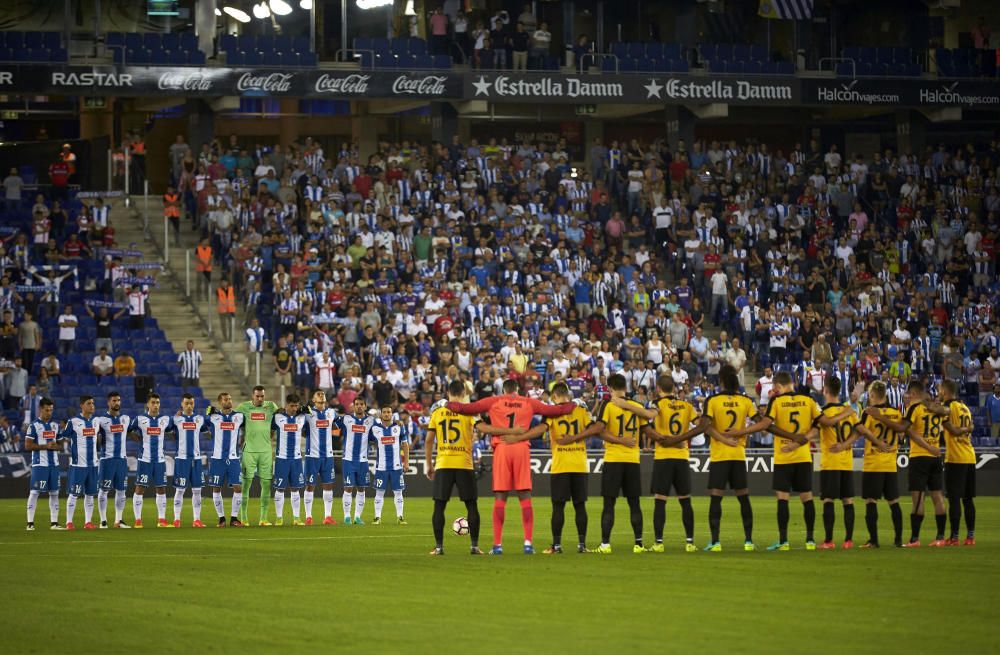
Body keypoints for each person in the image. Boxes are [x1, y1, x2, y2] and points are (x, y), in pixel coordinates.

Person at [446, 378, 575, 555]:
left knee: (500, 497)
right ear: (517, 390)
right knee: (525, 495)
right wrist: (573, 404)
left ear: (504, 390)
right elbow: (555, 410)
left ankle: (497, 546)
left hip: (502, 448)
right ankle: (528, 544)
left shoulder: (495, 401)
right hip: (522, 448)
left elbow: (467, 408)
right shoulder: (528, 402)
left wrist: (449, 404)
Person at [755, 370, 852, 551]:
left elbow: (766, 426)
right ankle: (810, 540)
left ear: (778, 386)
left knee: (783, 498)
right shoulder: (809, 401)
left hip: (783, 456)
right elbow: (827, 422)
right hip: (803, 456)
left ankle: (783, 541)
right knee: (806, 497)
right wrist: (846, 412)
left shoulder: (776, 402)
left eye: (775, 387)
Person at [865, 379, 947, 546]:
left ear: (915, 393)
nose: (907, 397)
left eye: (909, 394)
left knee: (918, 498)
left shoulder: (913, 409)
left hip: (919, 457)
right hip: (936, 457)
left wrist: (880, 416)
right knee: (938, 496)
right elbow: (948, 411)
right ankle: (940, 537)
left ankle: (914, 539)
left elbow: (903, 429)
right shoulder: (936, 409)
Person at [638, 376, 705, 552]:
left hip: (663, 457)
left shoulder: (657, 404)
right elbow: (701, 426)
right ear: (674, 388)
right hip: (682, 457)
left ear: (659, 388)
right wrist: (682, 439)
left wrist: (663, 439)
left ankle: (658, 543)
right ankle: (690, 542)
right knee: (685, 501)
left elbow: (645, 425)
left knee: (660, 501)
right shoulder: (686, 405)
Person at [700, 364, 759, 551]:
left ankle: (715, 542)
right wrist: (742, 431)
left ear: (721, 380)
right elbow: (763, 422)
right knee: (743, 498)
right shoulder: (745, 400)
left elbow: (706, 427)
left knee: (716, 498)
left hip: (720, 455)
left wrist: (723, 438)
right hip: (738, 455)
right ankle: (748, 541)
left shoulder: (713, 401)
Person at [591, 373, 647, 554]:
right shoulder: (637, 406)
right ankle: (639, 544)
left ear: (611, 388)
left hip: (614, 459)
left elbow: (599, 431)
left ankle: (605, 544)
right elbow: (647, 429)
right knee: (634, 503)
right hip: (632, 460)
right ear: (626, 387)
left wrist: (618, 440)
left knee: (609, 504)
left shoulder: (608, 405)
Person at [426, 381, 483, 555]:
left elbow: (429, 440)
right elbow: (479, 431)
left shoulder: (437, 412)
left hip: (443, 463)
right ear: (463, 392)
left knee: (439, 507)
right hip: (464, 464)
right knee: (471, 506)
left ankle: (439, 547)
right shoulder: (469, 413)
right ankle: (474, 546)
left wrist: (429, 464)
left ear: (447, 392)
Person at [854, 381, 904, 548]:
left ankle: (873, 541)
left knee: (871, 501)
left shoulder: (869, 412)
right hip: (890, 464)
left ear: (873, 395)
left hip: (873, 463)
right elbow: (902, 435)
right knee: (894, 502)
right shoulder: (896, 413)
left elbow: (860, 431)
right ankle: (898, 540)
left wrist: (845, 444)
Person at [815, 376, 860, 549]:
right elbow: (858, 431)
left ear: (825, 390)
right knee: (848, 500)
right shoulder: (849, 410)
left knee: (828, 500)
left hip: (830, 462)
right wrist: (845, 445)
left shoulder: (823, 412)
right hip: (846, 462)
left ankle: (828, 541)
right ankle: (848, 540)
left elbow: (815, 431)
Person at [937, 379, 977, 545]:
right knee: (968, 499)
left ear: (945, 392)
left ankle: (954, 537)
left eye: (939, 390)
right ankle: (970, 537)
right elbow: (970, 428)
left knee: (954, 498)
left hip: (956, 458)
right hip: (970, 456)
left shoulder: (948, 408)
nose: (938, 393)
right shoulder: (964, 407)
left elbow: (952, 431)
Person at [233, 386, 279, 526]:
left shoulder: (271, 406)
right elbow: (231, 419)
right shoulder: (243, 407)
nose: (260, 399)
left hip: (266, 451)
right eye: (257, 396)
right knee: (246, 484)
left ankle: (263, 519)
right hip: (249, 452)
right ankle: (244, 518)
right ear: (253, 396)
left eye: (262, 396)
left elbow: (283, 416)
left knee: (266, 485)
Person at [132, 393, 174, 528]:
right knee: (140, 488)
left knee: (161, 488)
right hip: (145, 460)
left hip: (160, 460)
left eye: (157, 402)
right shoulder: (140, 419)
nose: (156, 405)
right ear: (148, 404)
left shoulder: (165, 419)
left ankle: (161, 520)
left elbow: (172, 430)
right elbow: (129, 430)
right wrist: (138, 440)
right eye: (153, 402)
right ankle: (138, 520)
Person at [205, 392, 245, 527]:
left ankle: (234, 518)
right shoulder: (214, 417)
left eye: (230, 399)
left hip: (233, 458)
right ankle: (221, 519)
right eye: (225, 399)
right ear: (220, 402)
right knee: (216, 489)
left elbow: (250, 427)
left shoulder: (239, 416)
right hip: (218, 459)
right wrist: (207, 413)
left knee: (238, 488)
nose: (229, 401)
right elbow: (199, 426)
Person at [24, 397, 64, 530]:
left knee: (54, 493)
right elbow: (28, 446)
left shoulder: (55, 426)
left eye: (51, 410)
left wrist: (55, 446)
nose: (49, 412)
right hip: (39, 465)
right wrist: (46, 446)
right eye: (47, 410)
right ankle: (30, 523)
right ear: (41, 409)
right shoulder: (33, 426)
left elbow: (60, 446)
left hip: (54, 465)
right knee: (35, 492)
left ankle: (54, 523)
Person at [62, 396, 101, 530]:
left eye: (93, 403)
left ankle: (88, 522)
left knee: (90, 494)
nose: (92, 406)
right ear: (81, 406)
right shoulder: (73, 422)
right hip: (78, 465)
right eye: (89, 403)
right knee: (74, 494)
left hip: (93, 465)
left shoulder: (96, 421)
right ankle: (69, 522)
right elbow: (62, 436)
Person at [95, 391, 133, 529]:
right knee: (104, 490)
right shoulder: (101, 420)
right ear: (108, 402)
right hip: (107, 459)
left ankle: (119, 520)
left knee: (121, 490)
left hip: (121, 460)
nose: (117, 403)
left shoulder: (126, 419)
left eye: (118, 400)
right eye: (114, 401)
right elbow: (94, 439)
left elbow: (133, 431)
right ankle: (103, 521)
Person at [171, 394, 207, 528]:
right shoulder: (175, 420)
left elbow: (207, 428)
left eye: (191, 403)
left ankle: (197, 519)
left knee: (197, 491)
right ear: (182, 404)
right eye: (186, 403)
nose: (189, 406)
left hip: (196, 459)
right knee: (180, 490)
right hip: (182, 459)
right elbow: (167, 430)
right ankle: (176, 519)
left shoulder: (199, 419)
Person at [303, 389, 339, 525]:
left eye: (322, 394)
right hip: (312, 455)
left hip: (328, 456)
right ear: (313, 400)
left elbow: (339, 423)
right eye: (318, 394)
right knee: (310, 486)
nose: (321, 395)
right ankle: (308, 516)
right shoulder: (307, 414)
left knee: (328, 485)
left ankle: (328, 516)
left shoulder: (331, 413)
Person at [338, 396, 375, 525]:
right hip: (348, 460)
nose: (359, 406)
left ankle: (357, 517)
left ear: (365, 406)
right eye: (357, 404)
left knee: (361, 489)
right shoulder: (346, 419)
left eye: (361, 404)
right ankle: (347, 516)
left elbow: (377, 434)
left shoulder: (371, 421)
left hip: (363, 461)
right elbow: (332, 425)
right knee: (348, 488)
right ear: (353, 406)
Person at [272, 394, 306, 526]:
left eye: (296, 406)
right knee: (280, 489)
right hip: (282, 458)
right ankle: (279, 517)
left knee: (295, 489)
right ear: (286, 404)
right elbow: (268, 428)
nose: (294, 408)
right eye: (292, 405)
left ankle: (296, 518)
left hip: (297, 459)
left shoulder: (302, 417)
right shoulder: (278, 417)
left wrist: (306, 408)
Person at [372, 405, 409, 525]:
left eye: (389, 412)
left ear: (392, 414)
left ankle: (400, 517)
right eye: (384, 412)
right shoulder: (375, 428)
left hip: (396, 466)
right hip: (381, 467)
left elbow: (405, 445)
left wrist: (406, 462)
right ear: (381, 414)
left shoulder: (398, 427)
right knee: (379, 492)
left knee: (398, 492)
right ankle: (377, 517)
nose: (387, 414)